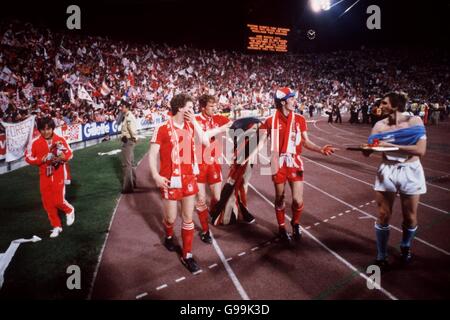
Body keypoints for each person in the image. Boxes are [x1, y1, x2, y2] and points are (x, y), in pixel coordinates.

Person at [259, 87, 336, 242]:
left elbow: (305, 142)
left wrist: (320, 149)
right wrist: (249, 156)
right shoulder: (269, 121)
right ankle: (281, 227)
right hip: (277, 163)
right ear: (282, 102)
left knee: (297, 200)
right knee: (280, 198)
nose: (295, 101)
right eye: (291, 98)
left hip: (294, 162)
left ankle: (295, 223)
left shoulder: (299, 119)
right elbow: (259, 142)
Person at [364, 91, 427, 269]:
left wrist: (392, 146)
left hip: (411, 170)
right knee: (383, 215)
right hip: (387, 169)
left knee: (410, 217)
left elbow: (420, 150)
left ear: (395, 105)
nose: (380, 106)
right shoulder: (379, 126)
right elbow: (368, 151)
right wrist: (368, 148)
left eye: (384, 103)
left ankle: (405, 246)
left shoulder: (414, 121)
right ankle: (381, 255)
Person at [149, 93, 209, 273]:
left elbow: (205, 142)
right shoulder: (162, 128)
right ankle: (168, 236)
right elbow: (152, 155)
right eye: (190, 108)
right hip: (169, 180)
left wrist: (196, 123)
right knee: (170, 218)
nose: (193, 111)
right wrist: (156, 176)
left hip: (189, 178)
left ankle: (187, 255)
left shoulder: (191, 126)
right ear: (180, 108)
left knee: (188, 217)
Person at [25, 117, 75, 238]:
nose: (46, 132)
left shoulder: (60, 139)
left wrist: (62, 157)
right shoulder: (35, 142)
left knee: (58, 200)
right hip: (44, 175)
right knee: (47, 203)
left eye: (48, 129)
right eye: (43, 129)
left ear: (53, 128)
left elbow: (69, 153)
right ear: (39, 130)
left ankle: (69, 210)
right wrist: (40, 160)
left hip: (58, 173)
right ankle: (56, 226)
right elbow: (28, 157)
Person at [194, 94, 231, 243]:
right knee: (201, 199)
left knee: (217, 197)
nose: (214, 109)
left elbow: (234, 125)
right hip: (199, 164)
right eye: (211, 106)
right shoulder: (195, 120)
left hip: (214, 163)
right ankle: (205, 231)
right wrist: (221, 129)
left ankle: (211, 215)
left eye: (215, 106)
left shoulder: (217, 118)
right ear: (203, 107)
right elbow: (202, 137)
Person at [120, 100, 138, 193]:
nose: (121, 108)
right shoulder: (127, 116)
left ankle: (128, 187)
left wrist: (134, 138)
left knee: (126, 164)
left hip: (128, 141)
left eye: (122, 107)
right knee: (131, 163)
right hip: (129, 140)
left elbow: (131, 129)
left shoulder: (128, 117)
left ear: (127, 107)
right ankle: (134, 183)